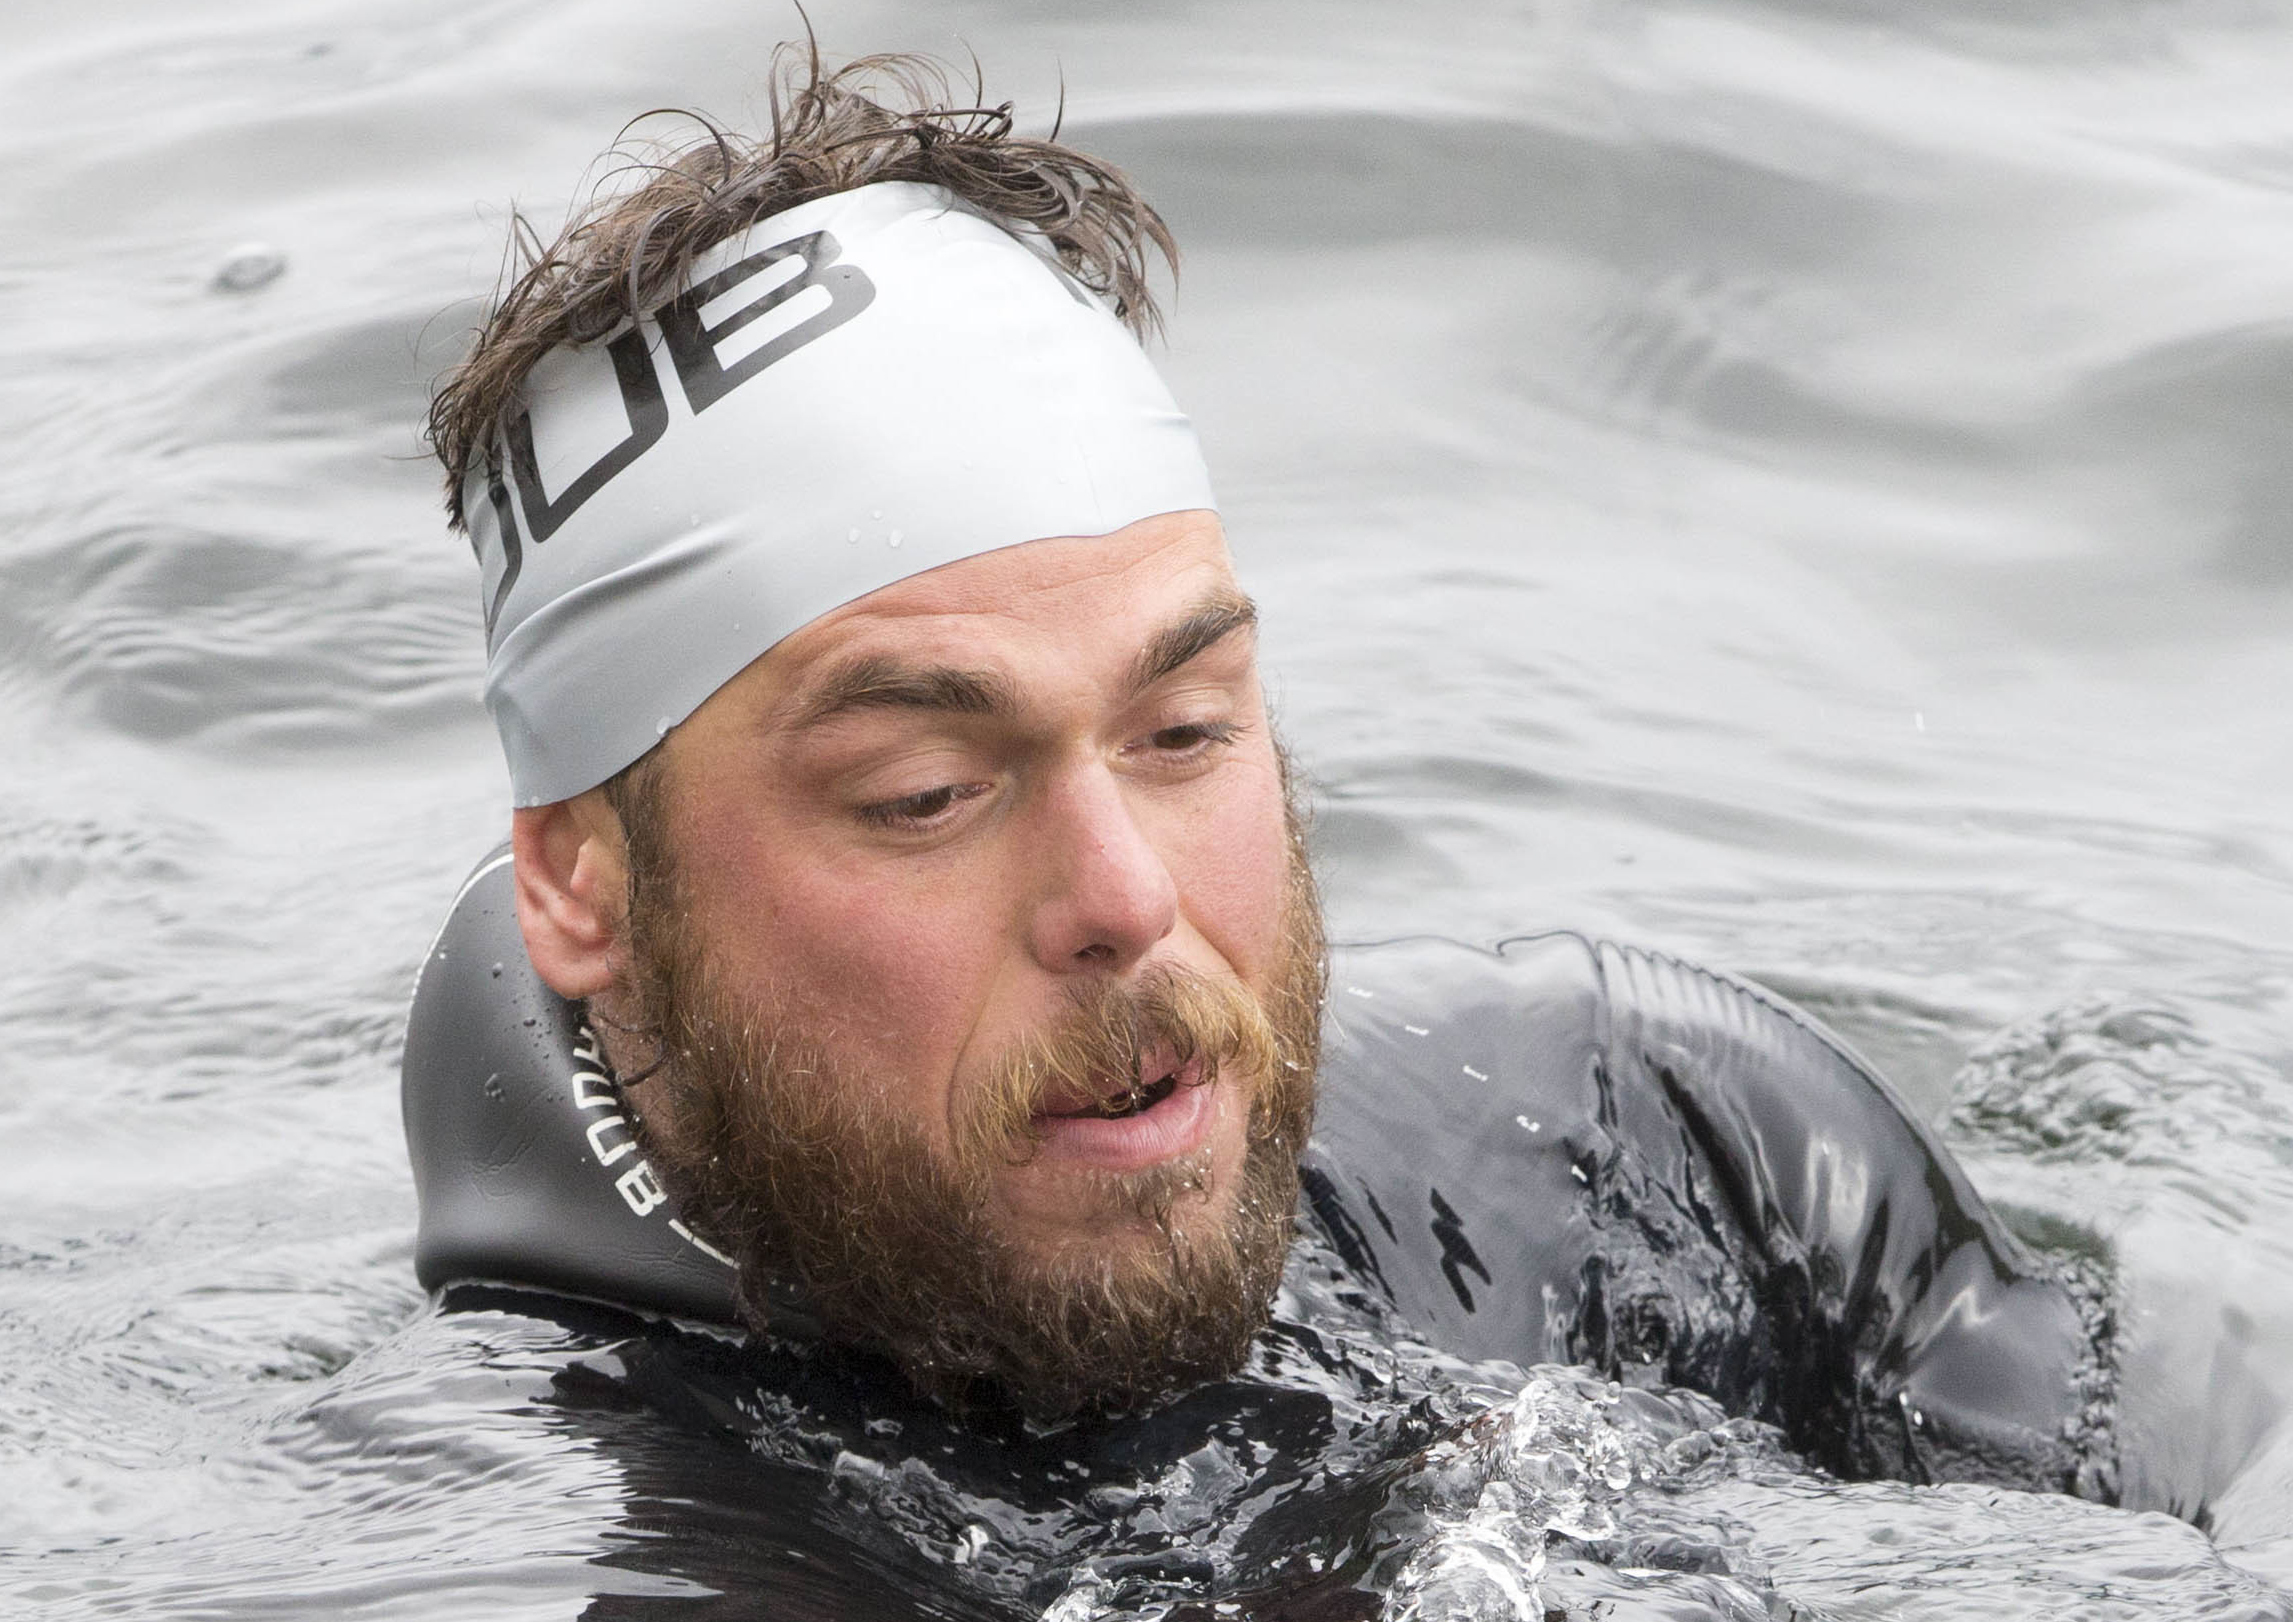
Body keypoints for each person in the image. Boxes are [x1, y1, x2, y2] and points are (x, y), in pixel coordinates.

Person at [406, 47, 2115, 1501]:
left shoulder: (1638, 1143)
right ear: (582, 888)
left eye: (1182, 732)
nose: (1125, 898)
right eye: (927, 791)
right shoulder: (539, 1548)